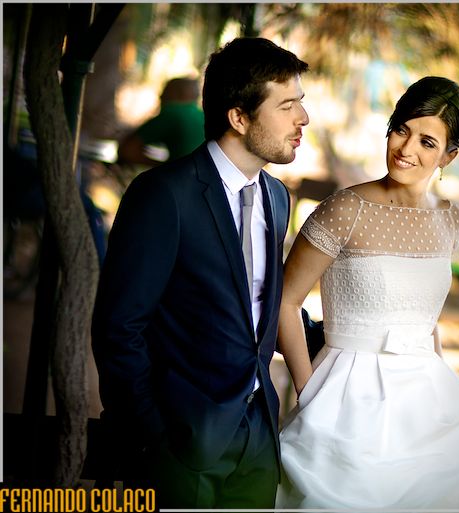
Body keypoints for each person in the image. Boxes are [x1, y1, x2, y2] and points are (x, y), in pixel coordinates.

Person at [91, 37, 309, 509]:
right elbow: (118, 328)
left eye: (301, 102)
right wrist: (154, 435)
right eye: (287, 105)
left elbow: (256, 307)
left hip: (258, 437)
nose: (303, 118)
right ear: (239, 117)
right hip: (180, 444)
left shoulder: (276, 198)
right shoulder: (163, 195)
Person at [275, 76, 459, 509]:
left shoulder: (449, 219)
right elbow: (285, 300)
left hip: (426, 399)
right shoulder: (345, 209)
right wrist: (308, 389)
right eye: (401, 130)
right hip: (345, 396)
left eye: (427, 142)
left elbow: (427, 319)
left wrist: (440, 386)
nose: (406, 148)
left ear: (449, 156)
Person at [117, 77, 205, 166]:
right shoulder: (203, 116)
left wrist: (160, 167)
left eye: (165, 91)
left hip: (182, 173)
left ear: (177, 93)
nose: (160, 96)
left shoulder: (172, 113)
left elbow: (127, 151)